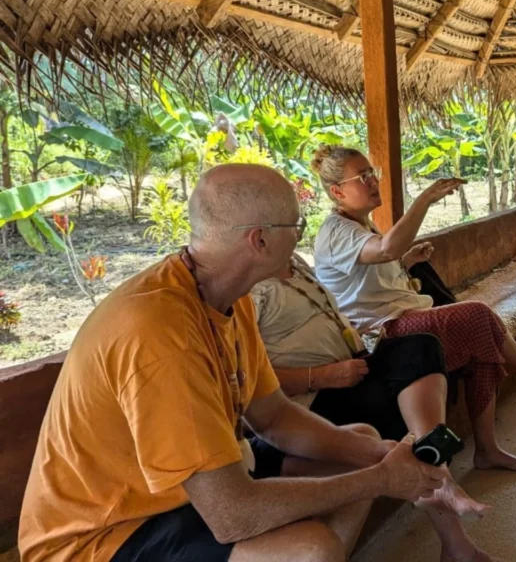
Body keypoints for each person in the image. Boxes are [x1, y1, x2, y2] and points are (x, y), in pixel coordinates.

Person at [18, 164, 446, 562]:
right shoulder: (163, 335)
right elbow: (232, 516)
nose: (302, 238)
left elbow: (274, 416)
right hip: (104, 534)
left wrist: (380, 455)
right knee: (308, 549)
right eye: (296, 226)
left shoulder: (227, 298)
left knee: (360, 447)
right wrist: (380, 480)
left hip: (184, 492)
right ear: (259, 241)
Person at [310, 145, 516, 472]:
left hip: (407, 318)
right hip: (383, 335)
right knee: (477, 314)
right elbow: (385, 250)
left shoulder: (361, 225)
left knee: (482, 350)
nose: (372, 182)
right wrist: (424, 200)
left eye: (372, 173)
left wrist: (407, 261)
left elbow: (373, 272)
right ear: (337, 191)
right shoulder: (335, 231)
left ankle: (487, 450)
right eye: (362, 177)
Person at [251, 251, 495, 560]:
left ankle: (441, 474)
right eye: (289, 220)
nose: (298, 225)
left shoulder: (294, 261)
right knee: (399, 411)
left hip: (349, 369)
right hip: (307, 403)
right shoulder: (247, 288)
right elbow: (246, 384)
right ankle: (452, 524)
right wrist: (321, 376)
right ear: (259, 235)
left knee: (421, 347)